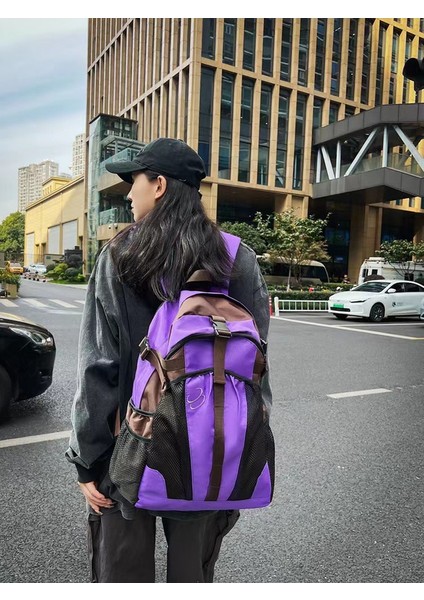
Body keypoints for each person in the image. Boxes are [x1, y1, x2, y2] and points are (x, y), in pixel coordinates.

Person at [65, 137, 272, 583]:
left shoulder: (120, 255)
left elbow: (98, 369)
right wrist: (242, 448)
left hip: (127, 448)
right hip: (209, 450)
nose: (129, 193)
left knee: (123, 575)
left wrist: (87, 461)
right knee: (191, 575)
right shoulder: (237, 259)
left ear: (158, 185)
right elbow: (256, 368)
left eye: (134, 181)